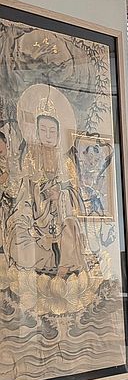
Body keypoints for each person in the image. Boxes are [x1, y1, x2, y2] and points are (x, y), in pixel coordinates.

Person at [8, 97, 87, 276]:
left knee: (71, 226)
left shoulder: (66, 162)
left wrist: (61, 196)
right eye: (43, 130)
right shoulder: (29, 158)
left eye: (52, 131)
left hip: (60, 216)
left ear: (59, 134)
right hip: (37, 218)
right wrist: (39, 195)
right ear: (37, 132)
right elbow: (23, 193)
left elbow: (76, 194)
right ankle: (43, 263)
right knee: (18, 232)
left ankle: (63, 268)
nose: (48, 135)